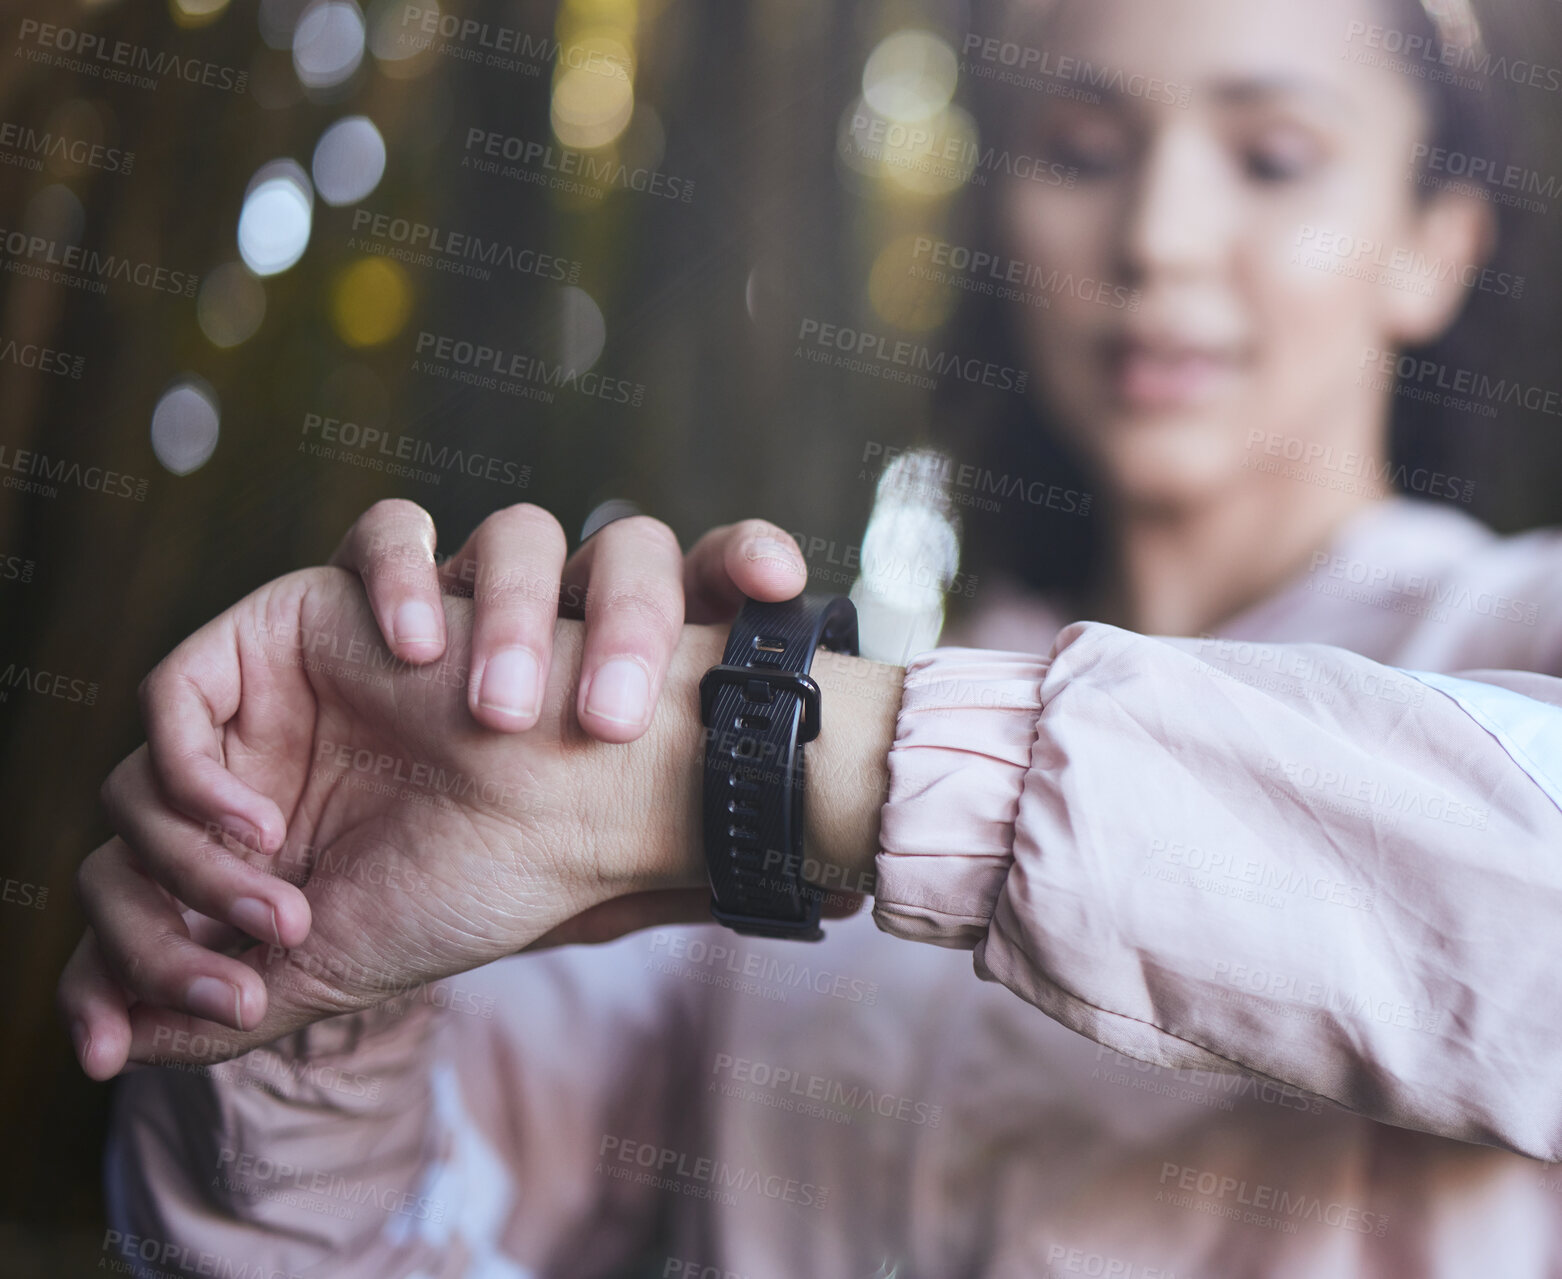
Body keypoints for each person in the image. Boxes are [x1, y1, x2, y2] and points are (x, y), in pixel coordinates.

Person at [61, 0, 1562, 1273]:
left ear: (1434, 243)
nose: (1158, 235)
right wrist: (297, 953)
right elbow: (366, 1241)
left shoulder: (1516, 634)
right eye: (1080, 151)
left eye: (1270, 157)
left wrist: (764, 755)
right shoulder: (718, 889)